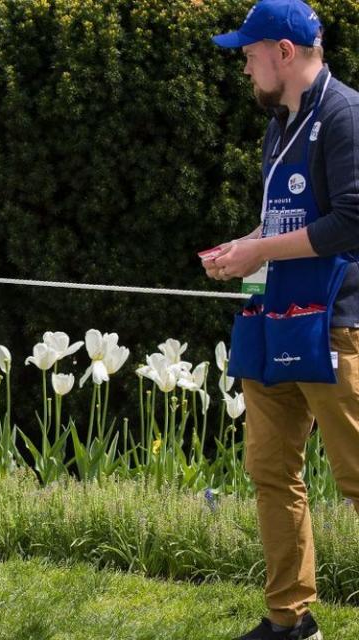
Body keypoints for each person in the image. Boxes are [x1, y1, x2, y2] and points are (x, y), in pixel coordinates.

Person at [206, 1, 359, 638]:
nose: (244, 66)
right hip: (276, 321)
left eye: (249, 53)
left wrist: (260, 250)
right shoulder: (281, 120)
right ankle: (291, 621)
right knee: (270, 471)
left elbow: (352, 221)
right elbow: (288, 226)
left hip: (333, 327)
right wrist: (241, 249)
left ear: (284, 52)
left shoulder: (345, 113)